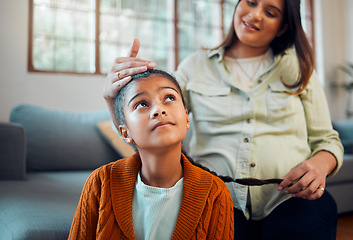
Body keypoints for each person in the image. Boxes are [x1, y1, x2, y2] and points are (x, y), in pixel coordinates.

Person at [103, 0, 344, 239]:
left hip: (292, 200)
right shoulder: (195, 66)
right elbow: (150, 127)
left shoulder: (301, 69)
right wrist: (112, 97)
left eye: (270, 12)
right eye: (250, 2)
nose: (256, 14)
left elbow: (327, 140)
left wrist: (320, 166)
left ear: (282, 27)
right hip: (214, 198)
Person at [69, 69, 234, 240]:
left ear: (186, 118)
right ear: (125, 132)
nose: (159, 110)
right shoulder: (100, 183)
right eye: (141, 104)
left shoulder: (215, 192)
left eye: (169, 98)